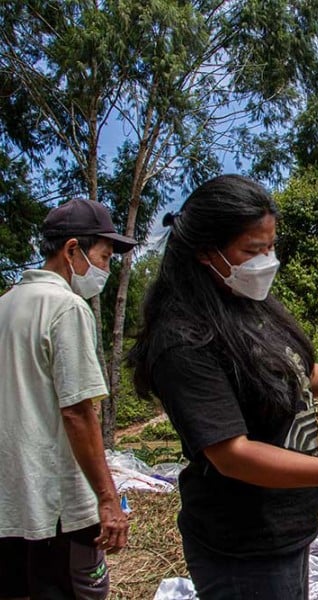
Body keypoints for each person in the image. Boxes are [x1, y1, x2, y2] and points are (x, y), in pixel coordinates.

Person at [127, 174, 318, 600]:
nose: (267, 260)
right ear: (206, 252)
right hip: (241, 543)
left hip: (288, 525)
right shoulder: (183, 339)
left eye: (271, 246)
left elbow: (287, 374)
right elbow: (233, 455)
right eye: (252, 250)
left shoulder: (247, 302)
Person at [0, 199, 135, 599]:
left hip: (10, 501)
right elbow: (78, 412)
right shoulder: (66, 308)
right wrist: (108, 500)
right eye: (104, 257)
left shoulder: (6, 305)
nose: (105, 270)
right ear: (72, 249)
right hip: (54, 503)